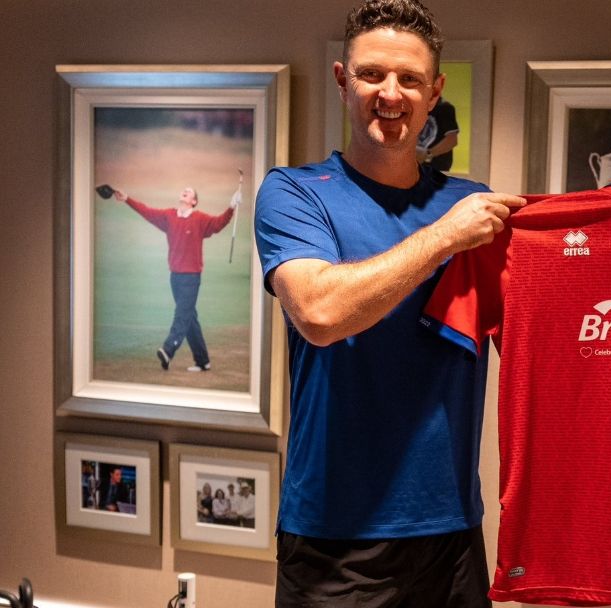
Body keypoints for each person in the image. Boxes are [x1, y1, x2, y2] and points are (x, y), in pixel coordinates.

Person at [253, 2, 525, 606]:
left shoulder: (470, 203)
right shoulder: (294, 193)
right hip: (334, 535)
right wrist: (444, 238)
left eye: (409, 79)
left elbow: (545, 336)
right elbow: (320, 313)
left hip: (452, 531)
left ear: (435, 91)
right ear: (342, 80)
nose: (391, 94)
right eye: (372, 74)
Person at [112, 186, 239, 372]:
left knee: (182, 315)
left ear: (193, 201)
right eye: (183, 190)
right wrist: (127, 199)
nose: (184, 192)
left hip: (191, 277)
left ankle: (168, 349)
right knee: (189, 318)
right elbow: (147, 212)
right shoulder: (169, 216)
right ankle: (203, 361)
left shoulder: (200, 219)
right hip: (175, 277)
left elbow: (219, 223)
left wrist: (231, 206)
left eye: (189, 191)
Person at [416, 97, 459, 172]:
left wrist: (427, 154)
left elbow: (452, 140)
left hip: (437, 167)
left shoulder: (445, 108)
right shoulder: (417, 107)